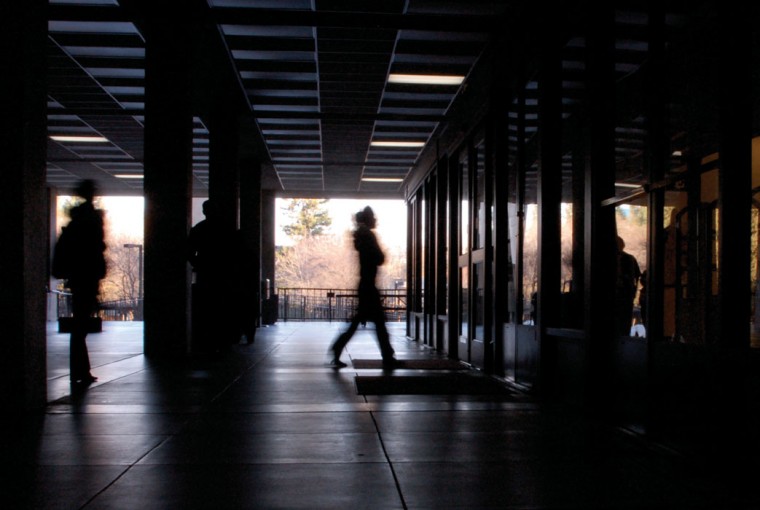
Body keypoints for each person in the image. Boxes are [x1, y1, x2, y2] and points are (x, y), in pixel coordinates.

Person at [329, 206, 397, 368]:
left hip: (365, 285)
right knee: (378, 323)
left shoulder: (361, 236)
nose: (376, 220)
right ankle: (387, 356)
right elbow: (380, 258)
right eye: (373, 217)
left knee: (362, 322)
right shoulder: (369, 236)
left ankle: (338, 348)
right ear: (368, 219)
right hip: (369, 286)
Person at [65, 179, 107, 385]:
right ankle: (81, 370)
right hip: (86, 276)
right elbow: (95, 248)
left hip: (80, 275)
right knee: (80, 326)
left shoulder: (79, 219)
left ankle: (80, 370)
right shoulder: (89, 219)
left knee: (79, 326)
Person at [187, 199, 235, 354]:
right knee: (223, 308)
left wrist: (198, 263)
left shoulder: (199, 229)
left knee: (206, 308)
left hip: (205, 274)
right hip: (224, 274)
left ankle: (206, 340)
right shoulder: (226, 229)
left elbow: (189, 252)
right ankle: (223, 340)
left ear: (204, 212)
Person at [615, 235, 642, 337]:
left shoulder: (605, 260)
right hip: (626, 295)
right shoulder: (630, 259)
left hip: (622, 295)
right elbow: (637, 276)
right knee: (624, 321)